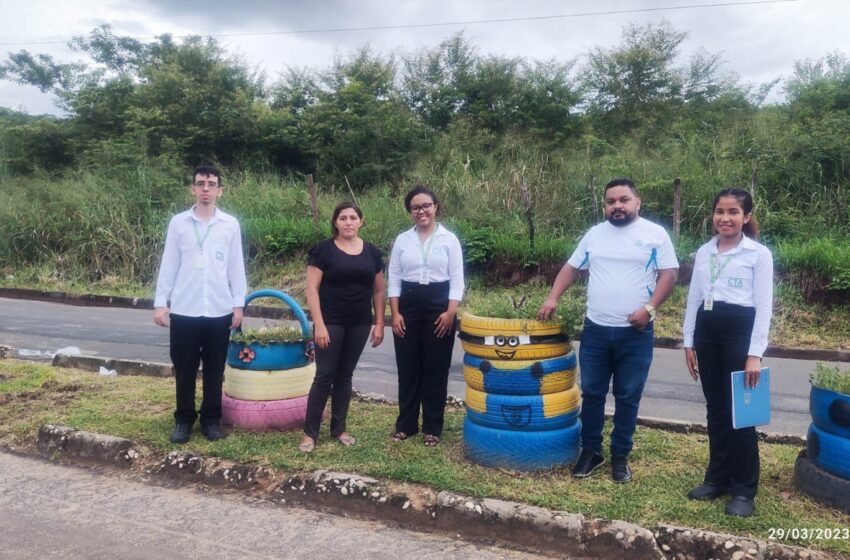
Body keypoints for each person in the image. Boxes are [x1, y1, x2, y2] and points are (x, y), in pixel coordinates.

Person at [538, 178, 678, 482]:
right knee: (593, 394)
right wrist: (553, 297)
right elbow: (571, 267)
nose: (617, 206)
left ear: (637, 202)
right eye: (611, 201)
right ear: (605, 205)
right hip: (596, 330)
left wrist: (649, 309)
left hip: (636, 333)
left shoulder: (655, 234)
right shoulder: (594, 236)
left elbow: (670, 274)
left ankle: (620, 456)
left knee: (628, 396)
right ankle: (591, 452)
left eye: (623, 200)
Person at [682, 188, 773, 517]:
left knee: (742, 412)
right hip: (707, 332)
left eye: (733, 212)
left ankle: (744, 489)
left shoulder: (758, 255)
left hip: (740, 331)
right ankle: (717, 478)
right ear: (713, 215)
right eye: (720, 211)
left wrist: (755, 353)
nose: (725, 218)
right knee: (716, 409)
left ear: (746, 217)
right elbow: (694, 299)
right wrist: (688, 341)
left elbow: (764, 307)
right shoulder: (704, 252)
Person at [154, 165, 247, 444]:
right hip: (185, 310)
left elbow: (236, 267)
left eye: (211, 184)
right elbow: (169, 264)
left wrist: (238, 304)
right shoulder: (178, 223)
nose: (206, 188)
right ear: (192, 189)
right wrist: (161, 302)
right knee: (184, 368)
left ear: (220, 190)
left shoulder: (229, 224)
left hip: (219, 309)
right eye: (200, 183)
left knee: (215, 369)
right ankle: (183, 419)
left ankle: (211, 420)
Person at [298, 202, 385, 453]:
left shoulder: (372, 253)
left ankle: (338, 429)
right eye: (343, 218)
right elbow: (311, 290)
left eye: (353, 218)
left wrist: (379, 323)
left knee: (345, 375)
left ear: (361, 221)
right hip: (331, 321)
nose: (348, 222)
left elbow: (378, 290)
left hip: (359, 322)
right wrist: (320, 326)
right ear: (335, 222)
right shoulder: (323, 251)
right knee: (324, 375)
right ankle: (310, 434)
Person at [388, 185, 464, 447]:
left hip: (440, 305)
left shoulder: (448, 239)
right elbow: (394, 279)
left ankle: (433, 427)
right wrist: (395, 314)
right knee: (408, 367)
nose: (421, 211)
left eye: (426, 206)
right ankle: (406, 425)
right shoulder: (402, 240)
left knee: (435, 367)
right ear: (410, 212)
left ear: (435, 207)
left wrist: (450, 313)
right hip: (407, 304)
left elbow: (457, 280)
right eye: (415, 207)